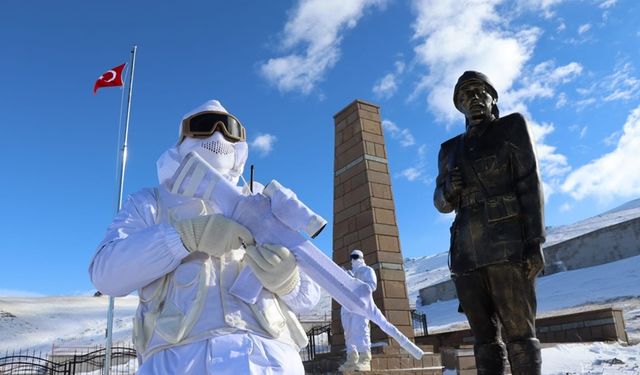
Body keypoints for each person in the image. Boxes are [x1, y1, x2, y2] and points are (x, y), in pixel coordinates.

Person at [89, 99, 321, 375]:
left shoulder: (263, 200)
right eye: (204, 126)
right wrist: (185, 236)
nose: (218, 135)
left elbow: (310, 296)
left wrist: (289, 281)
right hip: (178, 361)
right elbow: (106, 274)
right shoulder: (152, 202)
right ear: (184, 137)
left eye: (230, 129)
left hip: (270, 357)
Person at [433, 71, 545, 375]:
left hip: (507, 242)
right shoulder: (449, 150)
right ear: (459, 105)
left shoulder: (512, 127)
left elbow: (529, 183)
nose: (475, 99)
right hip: (466, 251)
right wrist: (449, 191)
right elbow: (440, 203)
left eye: (480, 92)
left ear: (492, 97)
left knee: (520, 333)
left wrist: (534, 241)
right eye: (466, 95)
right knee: (483, 339)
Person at [338, 249, 377, 372]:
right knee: (348, 332)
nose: (353, 259)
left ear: (361, 257)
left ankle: (365, 358)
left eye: (356, 256)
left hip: (360, 305)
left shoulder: (367, 270)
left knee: (360, 329)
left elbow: (372, 286)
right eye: (352, 257)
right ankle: (352, 358)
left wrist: (355, 282)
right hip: (347, 305)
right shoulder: (349, 272)